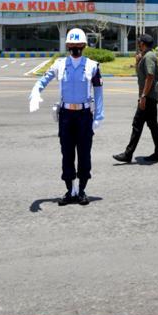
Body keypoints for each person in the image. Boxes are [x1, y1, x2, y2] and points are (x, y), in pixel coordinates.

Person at [31, 28, 105, 205]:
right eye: (71, 45)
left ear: (84, 46)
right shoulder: (60, 64)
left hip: (84, 115)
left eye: (78, 45)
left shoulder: (92, 66)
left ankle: (81, 190)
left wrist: (98, 117)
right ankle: (69, 190)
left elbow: (99, 92)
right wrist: (35, 91)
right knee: (67, 153)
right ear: (67, 46)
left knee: (84, 153)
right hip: (66, 116)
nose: (75, 48)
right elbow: (44, 79)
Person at [113, 33, 158, 163]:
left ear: (142, 43)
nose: (137, 43)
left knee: (137, 124)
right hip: (148, 96)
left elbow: (150, 76)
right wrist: (137, 62)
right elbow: (143, 75)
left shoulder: (149, 57)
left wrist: (143, 96)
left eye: (139, 41)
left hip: (148, 97)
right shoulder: (144, 56)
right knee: (152, 125)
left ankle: (128, 154)